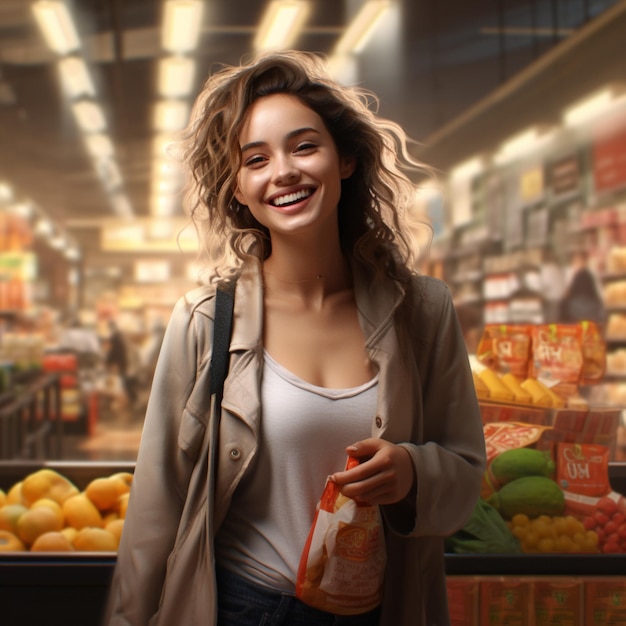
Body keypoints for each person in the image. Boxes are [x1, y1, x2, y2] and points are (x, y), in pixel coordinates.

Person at [104, 50, 486, 626]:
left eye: (304, 146)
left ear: (346, 159)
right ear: (238, 188)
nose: (283, 171)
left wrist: (411, 472)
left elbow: (464, 470)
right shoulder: (206, 320)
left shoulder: (423, 312)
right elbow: (156, 507)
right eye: (255, 159)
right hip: (242, 607)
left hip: (380, 609)